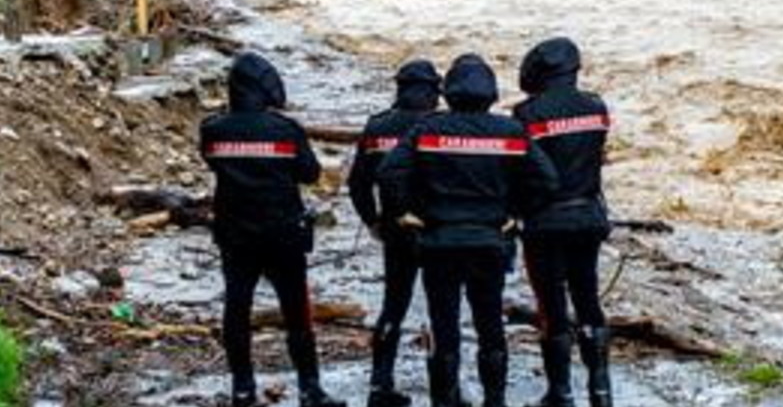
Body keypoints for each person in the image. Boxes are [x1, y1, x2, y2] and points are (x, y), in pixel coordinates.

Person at [379, 54, 559, 407]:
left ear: (448, 92)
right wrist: (517, 213)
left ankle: (444, 402)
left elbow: (389, 172)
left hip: (439, 243)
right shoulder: (509, 131)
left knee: (444, 329)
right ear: (491, 92)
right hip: (489, 243)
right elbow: (548, 180)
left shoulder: (428, 129)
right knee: (490, 327)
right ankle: (495, 401)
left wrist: (403, 213)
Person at [200, 53, 346, 407]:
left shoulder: (213, 129)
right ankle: (310, 389)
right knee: (297, 312)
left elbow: (211, 160)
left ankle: (243, 387)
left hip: (235, 235)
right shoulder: (286, 130)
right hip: (283, 234)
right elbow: (310, 173)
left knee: (237, 309)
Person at [513, 38, 614, 407]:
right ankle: (601, 391)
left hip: (545, 223)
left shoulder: (527, 115)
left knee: (552, 306)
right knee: (588, 300)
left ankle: (561, 392)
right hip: (588, 215)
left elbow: (526, 173)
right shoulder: (596, 108)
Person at [347, 60, 443, 407]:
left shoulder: (377, 128)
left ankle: (379, 384)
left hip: (394, 231)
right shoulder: (441, 126)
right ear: (434, 91)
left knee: (393, 306)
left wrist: (372, 221)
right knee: (440, 310)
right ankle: (444, 389)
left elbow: (357, 184)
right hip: (438, 229)